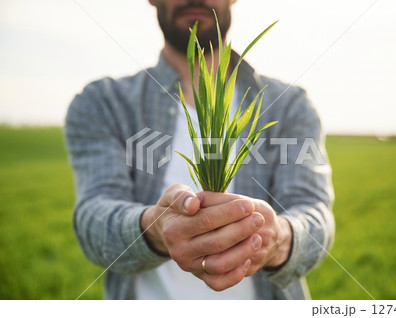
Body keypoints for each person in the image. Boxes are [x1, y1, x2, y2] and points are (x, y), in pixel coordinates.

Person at [65, 0, 335, 300]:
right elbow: (92, 218)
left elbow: (315, 213)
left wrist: (278, 237)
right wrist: (155, 229)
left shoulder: (290, 105)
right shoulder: (104, 103)